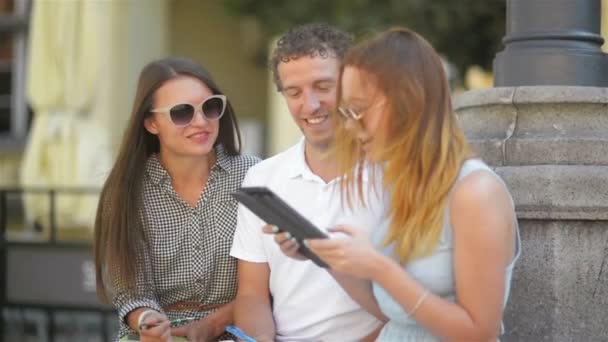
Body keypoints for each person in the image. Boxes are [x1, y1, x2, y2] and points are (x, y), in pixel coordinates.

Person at [305, 27, 521, 341]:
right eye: (345, 113)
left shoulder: (476, 193)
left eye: (359, 110)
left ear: (409, 101)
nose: (350, 126)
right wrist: (328, 259)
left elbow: (479, 332)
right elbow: (398, 314)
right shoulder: (403, 185)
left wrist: (380, 268)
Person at [230, 23, 384, 341]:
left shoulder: (393, 175)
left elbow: (413, 307)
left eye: (323, 86)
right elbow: (252, 295)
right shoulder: (263, 178)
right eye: (294, 92)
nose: (309, 105)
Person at [93, 57, 259, 342]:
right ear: (151, 123)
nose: (201, 121)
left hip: (238, 329)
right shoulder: (125, 190)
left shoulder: (253, 176)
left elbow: (268, 281)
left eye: (210, 107)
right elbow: (130, 290)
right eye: (181, 112)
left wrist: (213, 324)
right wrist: (148, 321)